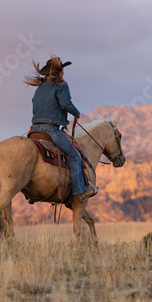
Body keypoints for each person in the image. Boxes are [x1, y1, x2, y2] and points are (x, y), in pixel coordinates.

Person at [24, 53, 96, 203]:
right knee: (75, 156)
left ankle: (32, 192)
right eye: (62, 69)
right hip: (51, 130)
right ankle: (79, 192)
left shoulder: (39, 88)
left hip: (34, 129)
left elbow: (39, 107)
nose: (64, 72)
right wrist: (75, 114)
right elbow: (65, 103)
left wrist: (60, 118)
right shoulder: (62, 85)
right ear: (59, 71)